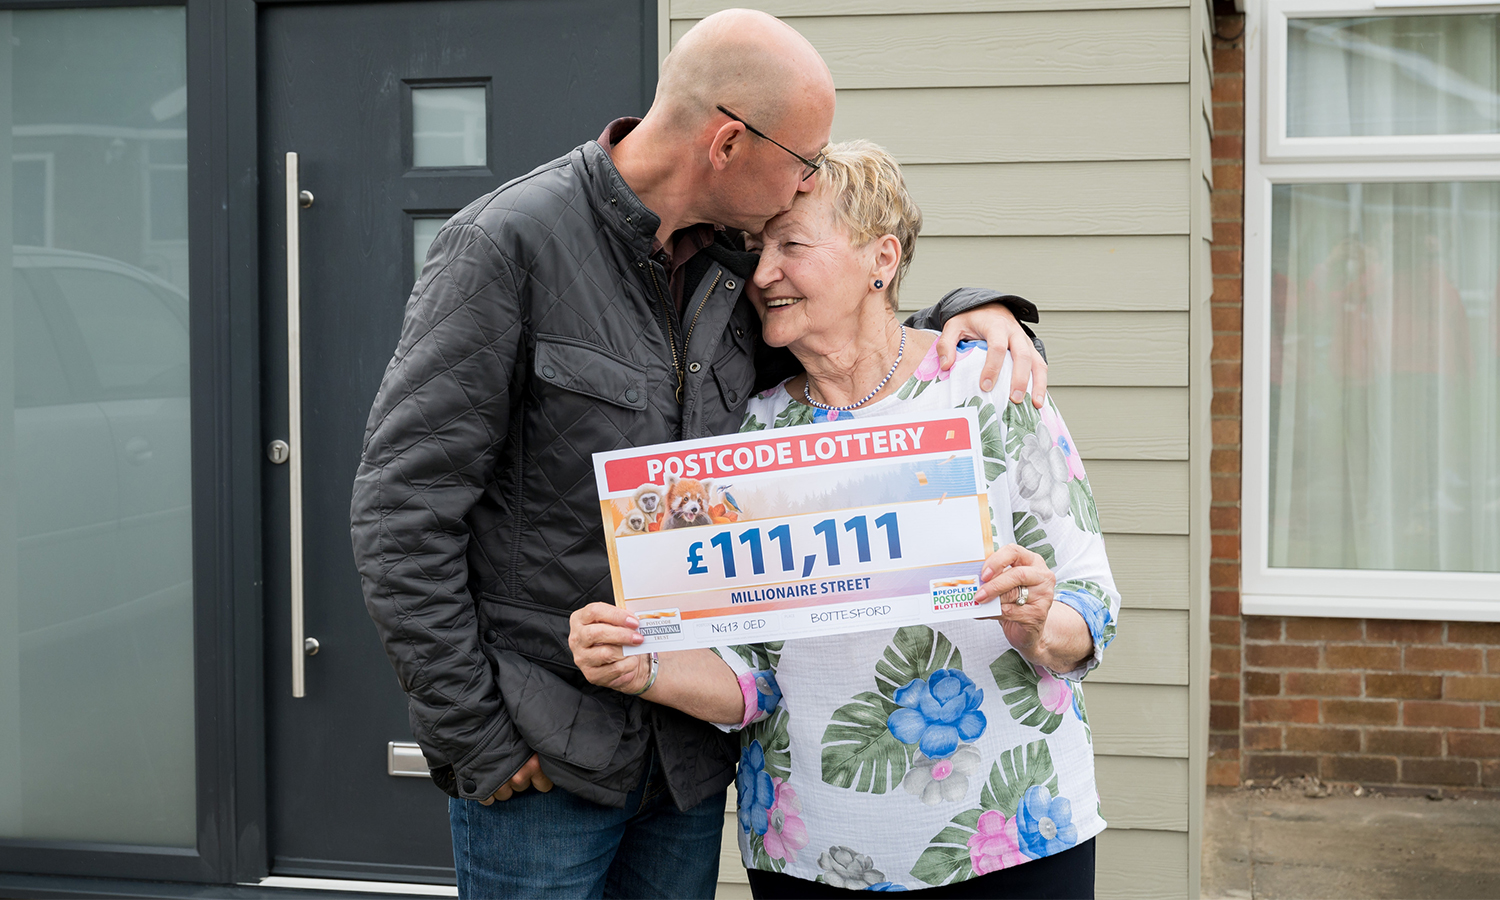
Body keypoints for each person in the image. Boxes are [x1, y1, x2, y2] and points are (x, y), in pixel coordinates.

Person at [349, 10, 1049, 900]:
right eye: (802, 160)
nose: (805, 182)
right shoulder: (507, 246)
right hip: (544, 769)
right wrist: (476, 738)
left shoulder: (729, 268)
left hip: (684, 766)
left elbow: (845, 327)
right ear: (727, 142)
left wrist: (969, 310)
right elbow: (400, 511)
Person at [569, 141, 1119, 898]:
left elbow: (1094, 607)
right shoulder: (746, 436)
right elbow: (749, 677)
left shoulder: (990, 386)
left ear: (880, 259)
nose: (762, 274)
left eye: (792, 245)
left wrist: (1039, 622)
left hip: (1012, 835)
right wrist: (646, 665)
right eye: (759, 249)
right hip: (811, 850)